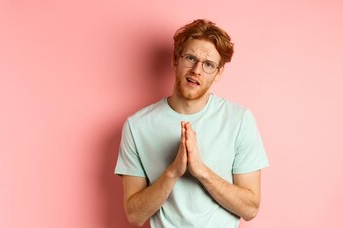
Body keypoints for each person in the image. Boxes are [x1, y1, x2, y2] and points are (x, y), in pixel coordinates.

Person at [114, 19, 269, 228]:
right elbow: (135, 215)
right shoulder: (137, 126)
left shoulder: (239, 120)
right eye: (190, 58)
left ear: (219, 72)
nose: (197, 70)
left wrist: (201, 171)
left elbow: (250, 209)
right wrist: (173, 172)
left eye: (208, 65)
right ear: (175, 59)